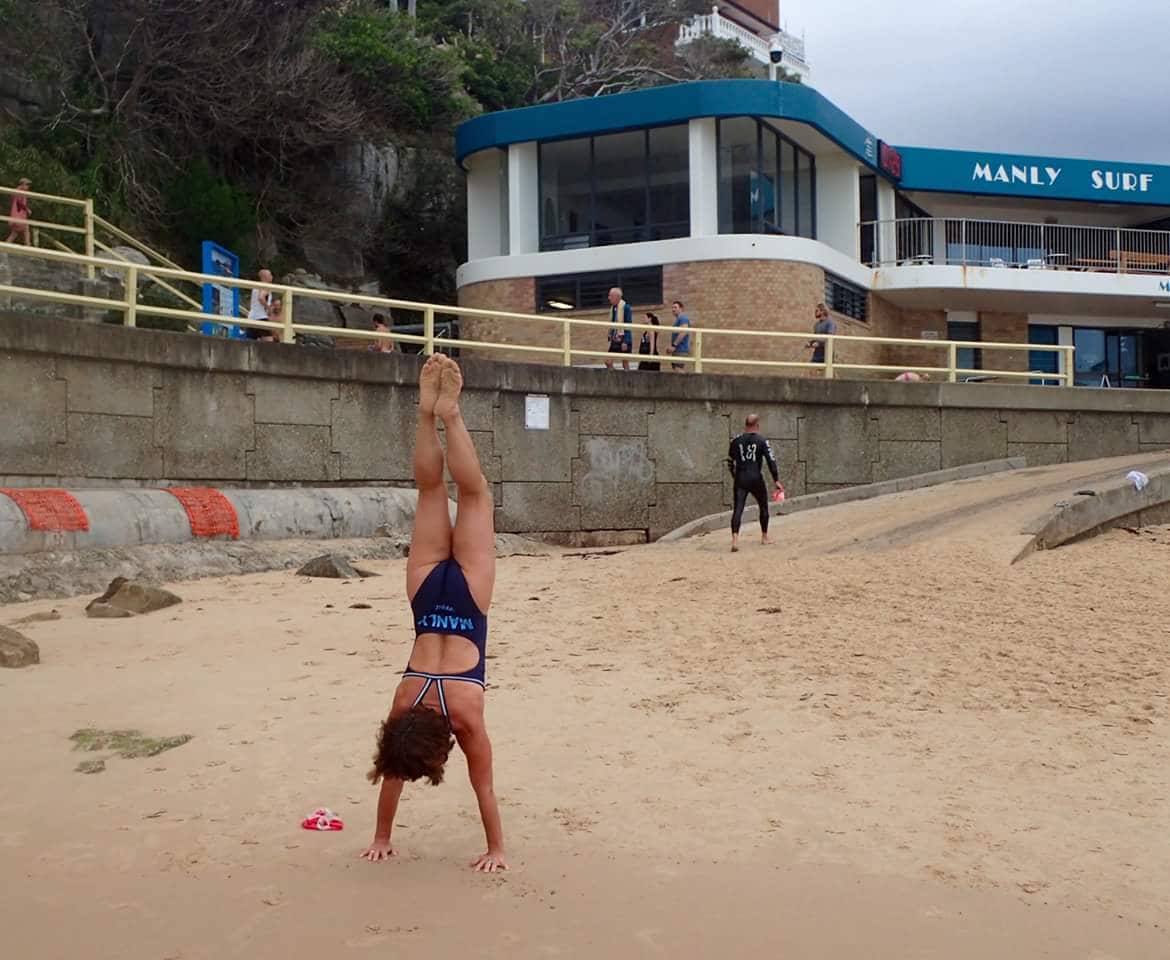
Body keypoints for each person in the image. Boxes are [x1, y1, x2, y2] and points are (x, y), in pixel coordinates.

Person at [361, 353, 506, 873]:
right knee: (430, 491)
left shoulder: (464, 717)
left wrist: (497, 851)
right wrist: (378, 833)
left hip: (467, 595)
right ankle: (430, 414)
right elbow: (393, 767)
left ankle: (452, 415)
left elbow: (483, 786)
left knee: (474, 493)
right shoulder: (404, 703)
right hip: (425, 594)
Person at [727, 414, 782, 553]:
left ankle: (735, 539)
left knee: (738, 508)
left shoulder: (735, 441)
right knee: (763, 505)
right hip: (756, 478)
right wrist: (776, 480)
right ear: (757, 426)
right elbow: (771, 461)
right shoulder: (762, 441)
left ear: (745, 425)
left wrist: (735, 476)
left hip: (740, 478)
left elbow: (729, 461)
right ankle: (764, 536)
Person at [604, 287, 633, 370]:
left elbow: (628, 324)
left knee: (625, 363)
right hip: (615, 339)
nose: (609, 298)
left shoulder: (626, 307)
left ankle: (627, 380)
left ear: (617, 297)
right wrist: (610, 336)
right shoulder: (613, 308)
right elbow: (612, 324)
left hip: (624, 338)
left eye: (610, 296)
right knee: (608, 361)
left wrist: (626, 341)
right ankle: (616, 378)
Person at [247, 269, 274, 341]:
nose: (272, 276)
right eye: (270, 274)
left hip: (251, 317)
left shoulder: (256, 287)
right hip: (261, 317)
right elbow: (261, 297)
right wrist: (268, 308)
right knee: (269, 342)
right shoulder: (266, 286)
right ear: (265, 277)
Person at [5, 177, 31, 246]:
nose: (28, 186)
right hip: (19, 217)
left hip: (15, 217)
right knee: (26, 231)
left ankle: (3, 250)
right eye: (27, 184)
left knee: (14, 234)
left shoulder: (17, 191)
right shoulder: (20, 192)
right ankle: (30, 251)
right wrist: (27, 209)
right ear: (22, 185)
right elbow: (19, 202)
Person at [668, 300, 691, 372]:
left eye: (675, 307)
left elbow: (684, 331)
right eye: (672, 308)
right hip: (678, 349)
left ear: (681, 309)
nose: (673, 309)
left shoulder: (683, 318)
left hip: (681, 349)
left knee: (678, 369)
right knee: (676, 369)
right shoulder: (678, 320)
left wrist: (674, 345)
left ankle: (688, 382)